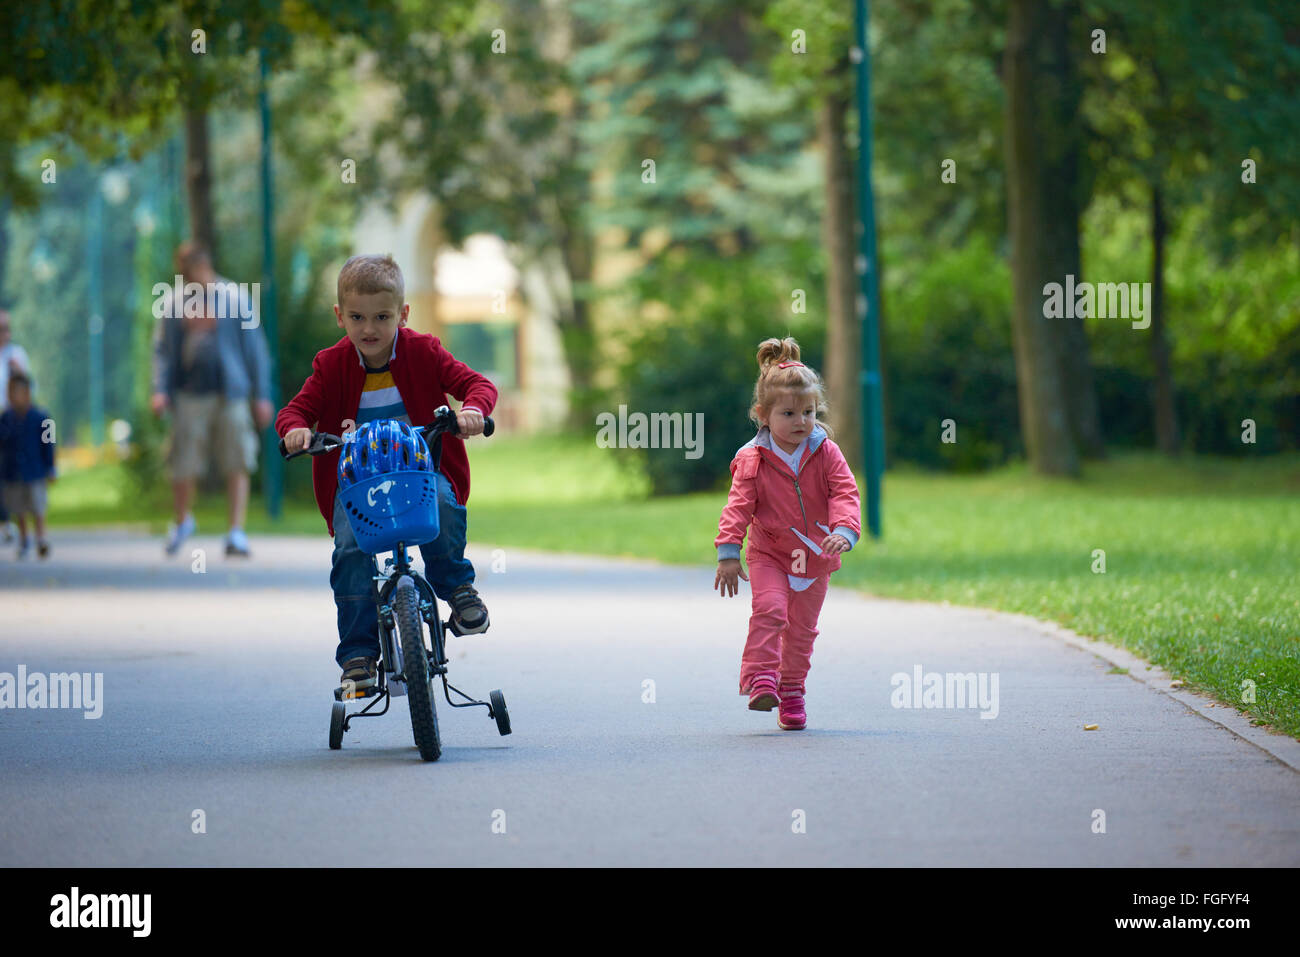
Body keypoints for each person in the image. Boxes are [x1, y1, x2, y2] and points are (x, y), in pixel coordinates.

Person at [276, 253, 498, 694]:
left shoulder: (424, 352)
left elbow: (478, 385)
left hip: (418, 476)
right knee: (350, 551)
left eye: (382, 316)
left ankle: (457, 589)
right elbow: (296, 410)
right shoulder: (331, 364)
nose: (369, 328)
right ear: (340, 316)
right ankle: (359, 653)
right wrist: (296, 431)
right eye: (357, 317)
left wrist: (472, 411)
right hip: (358, 485)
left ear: (404, 314)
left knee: (443, 504)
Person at [713, 337, 862, 730]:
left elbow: (845, 492)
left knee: (802, 632)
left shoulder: (826, 451)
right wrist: (729, 553)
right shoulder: (753, 458)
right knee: (771, 611)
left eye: (809, 412)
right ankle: (761, 679)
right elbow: (738, 507)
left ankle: (792, 690)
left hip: (816, 556)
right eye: (789, 413)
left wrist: (845, 531)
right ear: (763, 415)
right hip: (770, 554)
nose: (801, 422)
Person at [150, 242, 273, 558]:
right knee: (183, 460)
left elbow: (255, 348)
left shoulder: (234, 297)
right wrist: (160, 390)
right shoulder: (174, 303)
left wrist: (262, 394)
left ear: (207, 267)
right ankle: (182, 520)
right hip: (190, 392)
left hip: (231, 391)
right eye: (189, 274)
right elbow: (162, 352)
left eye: (199, 271)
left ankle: (235, 531)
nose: (196, 279)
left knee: (238, 458)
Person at [0, 373, 56, 559]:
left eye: (13, 392)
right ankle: (24, 540)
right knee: (19, 508)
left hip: (35, 470)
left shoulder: (43, 418)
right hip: (13, 471)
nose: (10, 396)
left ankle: (41, 538)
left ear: (26, 393)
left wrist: (51, 467)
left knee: (38, 506)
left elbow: (49, 444)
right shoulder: (5, 419)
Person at [0, 308, 34, 544]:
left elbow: (30, 388)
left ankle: (15, 523)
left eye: (5, 329)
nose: (4, 334)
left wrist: (19, 372)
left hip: (12, 421)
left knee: (13, 473)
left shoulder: (16, 355)